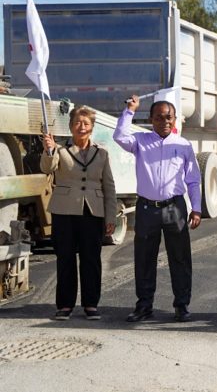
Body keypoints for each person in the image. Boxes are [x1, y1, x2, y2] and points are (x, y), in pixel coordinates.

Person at [113, 95, 202, 322]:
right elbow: (119, 136)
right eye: (159, 117)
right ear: (151, 119)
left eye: (169, 117)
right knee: (144, 258)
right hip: (146, 209)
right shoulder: (140, 141)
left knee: (180, 258)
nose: (165, 121)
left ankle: (181, 306)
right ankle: (144, 306)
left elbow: (192, 180)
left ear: (174, 119)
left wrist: (197, 208)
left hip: (175, 208)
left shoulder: (183, 145)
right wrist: (130, 110)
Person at [41, 106, 117, 321]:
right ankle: (65, 305)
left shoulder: (102, 152)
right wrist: (48, 150)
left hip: (92, 212)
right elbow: (47, 168)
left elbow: (109, 187)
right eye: (77, 123)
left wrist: (110, 217)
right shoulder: (60, 150)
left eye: (85, 123)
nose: (81, 127)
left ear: (92, 127)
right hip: (64, 211)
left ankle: (91, 304)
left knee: (91, 259)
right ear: (71, 126)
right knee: (65, 258)